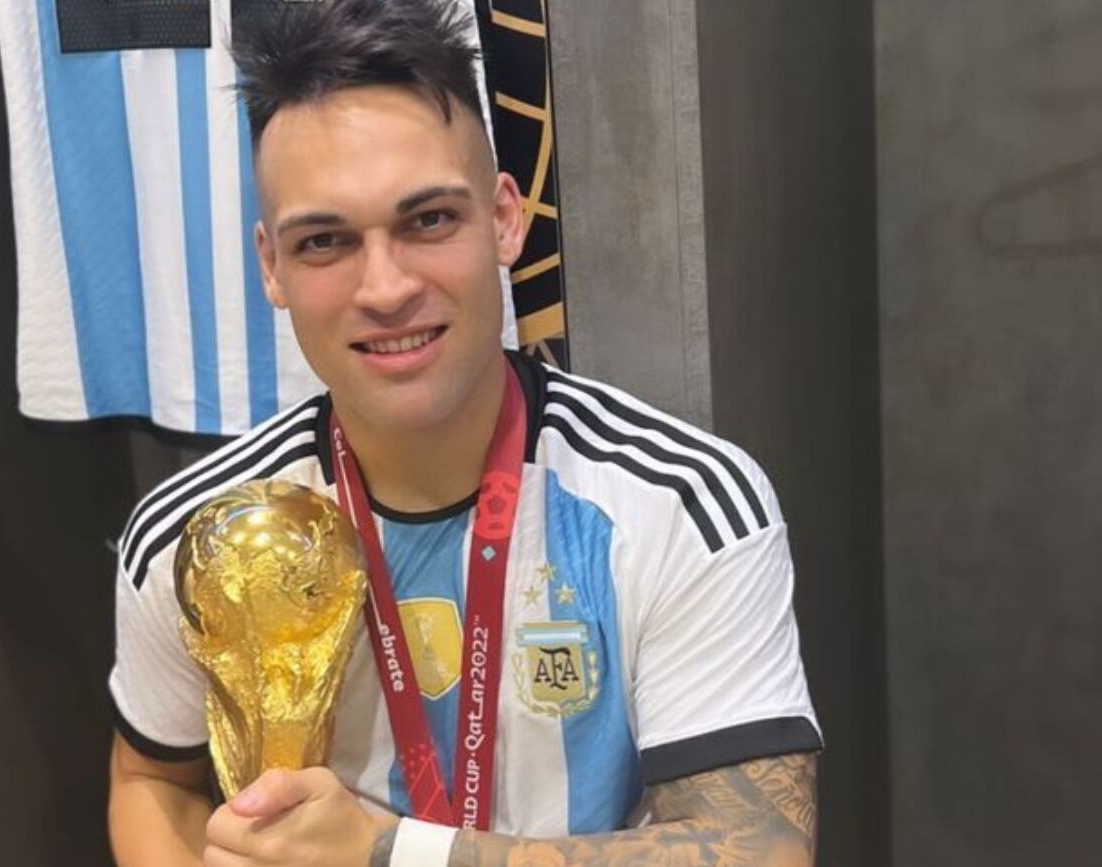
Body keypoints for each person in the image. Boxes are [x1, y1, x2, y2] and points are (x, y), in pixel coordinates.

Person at [106, 1, 823, 865]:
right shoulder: (197, 531)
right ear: (273, 267)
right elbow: (153, 780)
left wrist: (393, 854)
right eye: (326, 240)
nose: (385, 287)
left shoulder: (685, 503)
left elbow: (762, 850)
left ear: (505, 219)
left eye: (429, 220)